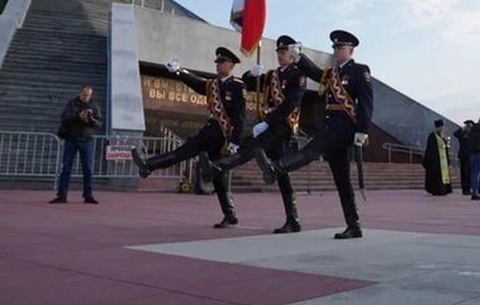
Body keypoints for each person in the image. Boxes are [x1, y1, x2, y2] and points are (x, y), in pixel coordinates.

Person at [255, 30, 372, 239]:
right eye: (334, 47)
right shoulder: (331, 74)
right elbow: (315, 72)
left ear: (351, 50)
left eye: (340, 47)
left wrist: (362, 130)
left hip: (344, 128)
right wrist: (299, 56)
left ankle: (276, 168)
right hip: (332, 126)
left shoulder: (360, 71)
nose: (336, 50)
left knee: (312, 148)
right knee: (342, 180)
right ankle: (354, 225)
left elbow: (365, 102)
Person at [199, 35, 306, 234]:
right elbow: (249, 82)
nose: (280, 56)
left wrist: (267, 121)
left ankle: (217, 167)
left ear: (292, 55)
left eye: (283, 53)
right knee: (280, 173)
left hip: (282, 127)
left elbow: (291, 103)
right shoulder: (272, 75)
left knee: (253, 149)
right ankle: (293, 220)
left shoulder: (297, 75)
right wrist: (251, 73)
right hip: (268, 126)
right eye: (279, 53)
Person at [131, 47, 245, 228]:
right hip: (210, 131)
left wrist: (235, 141)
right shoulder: (212, 85)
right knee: (196, 162)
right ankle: (148, 165)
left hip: (223, 135)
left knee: (203, 166)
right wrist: (179, 72)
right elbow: (197, 83)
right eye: (217, 62)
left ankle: (149, 165)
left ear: (231, 65)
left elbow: (239, 116)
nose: (218, 65)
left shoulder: (237, 86)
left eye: (221, 62)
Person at [51, 85, 102, 204]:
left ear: (91, 95)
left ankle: (88, 195)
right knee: (66, 168)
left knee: (88, 169)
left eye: (88, 95)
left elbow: (99, 124)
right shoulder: (71, 104)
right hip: (71, 139)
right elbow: (64, 118)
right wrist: (78, 116)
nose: (85, 97)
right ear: (80, 93)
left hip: (86, 139)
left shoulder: (94, 106)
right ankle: (62, 195)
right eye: (84, 94)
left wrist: (91, 120)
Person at [423, 119, 453, 196]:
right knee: (437, 175)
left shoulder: (444, 136)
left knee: (444, 176)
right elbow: (430, 149)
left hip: (444, 160)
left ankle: (444, 190)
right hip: (436, 160)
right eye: (440, 127)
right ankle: (436, 190)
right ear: (437, 127)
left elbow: (446, 148)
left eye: (442, 127)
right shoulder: (432, 136)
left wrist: (448, 160)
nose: (442, 129)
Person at [454, 120, 474, 195]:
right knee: (464, 173)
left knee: (469, 173)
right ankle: (464, 189)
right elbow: (455, 134)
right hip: (463, 156)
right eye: (468, 126)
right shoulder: (462, 134)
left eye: (470, 127)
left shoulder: (472, 135)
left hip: (470, 156)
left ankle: (468, 188)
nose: (469, 128)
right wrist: (462, 129)